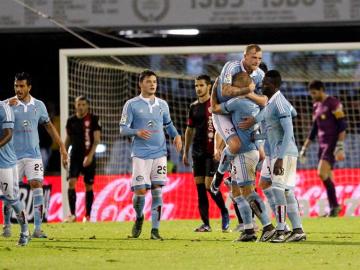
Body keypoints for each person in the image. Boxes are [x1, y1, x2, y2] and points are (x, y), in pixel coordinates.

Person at [2, 72, 68, 238]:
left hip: (33, 155)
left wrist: (62, 146)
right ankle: (7, 226)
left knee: (37, 184)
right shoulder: (7, 104)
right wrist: (3, 103)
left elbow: (49, 126)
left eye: (22, 86)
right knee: (10, 192)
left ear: (29, 87)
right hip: (12, 156)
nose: (18, 89)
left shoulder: (39, 105)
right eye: (16, 86)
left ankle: (38, 229)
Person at [211, 72, 276, 242]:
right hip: (253, 149)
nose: (229, 89)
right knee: (236, 192)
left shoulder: (237, 102)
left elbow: (214, 109)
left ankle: (268, 227)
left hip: (244, 153)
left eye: (232, 86)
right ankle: (248, 230)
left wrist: (214, 89)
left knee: (248, 192)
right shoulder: (257, 104)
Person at [120, 69, 182, 240]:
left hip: (160, 153)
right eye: (148, 81)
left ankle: (155, 230)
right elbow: (123, 129)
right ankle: (139, 216)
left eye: (154, 81)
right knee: (140, 191)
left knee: (157, 191)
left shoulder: (162, 104)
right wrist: (136, 132)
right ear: (140, 83)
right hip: (140, 154)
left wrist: (176, 135)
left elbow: (168, 125)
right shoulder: (131, 104)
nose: (152, 84)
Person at [254, 70, 306, 242]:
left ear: (275, 85)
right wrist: (257, 137)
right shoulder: (272, 103)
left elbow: (288, 131)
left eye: (266, 83)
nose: (262, 85)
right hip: (274, 153)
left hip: (284, 153)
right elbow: (290, 116)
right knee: (282, 190)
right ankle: (297, 230)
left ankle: (281, 229)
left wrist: (281, 157)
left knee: (278, 189)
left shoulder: (280, 102)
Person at [210, 44, 267, 195]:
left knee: (261, 155)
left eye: (259, 58)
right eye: (254, 57)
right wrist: (248, 90)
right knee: (235, 146)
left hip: (243, 113)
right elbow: (226, 91)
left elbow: (264, 101)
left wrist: (248, 95)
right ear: (245, 56)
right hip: (224, 112)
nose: (257, 61)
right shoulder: (231, 67)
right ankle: (219, 175)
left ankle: (233, 177)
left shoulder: (260, 75)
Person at [182, 74, 229, 232]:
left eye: (201, 85)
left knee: (210, 186)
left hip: (212, 151)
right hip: (197, 152)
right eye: (196, 86)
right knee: (200, 188)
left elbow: (222, 128)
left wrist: (220, 147)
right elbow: (189, 130)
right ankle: (206, 224)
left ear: (209, 86)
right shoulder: (193, 107)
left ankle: (224, 212)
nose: (198, 88)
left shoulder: (215, 105)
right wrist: (185, 151)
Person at [300, 80, 346, 217]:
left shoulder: (333, 103)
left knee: (321, 173)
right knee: (328, 176)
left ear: (321, 90)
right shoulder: (316, 106)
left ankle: (335, 206)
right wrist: (304, 148)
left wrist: (340, 146)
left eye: (314, 93)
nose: (312, 96)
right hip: (321, 145)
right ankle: (334, 207)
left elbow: (342, 125)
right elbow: (314, 130)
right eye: (311, 93)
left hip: (331, 144)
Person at [64, 96, 101, 222]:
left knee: (88, 185)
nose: (80, 107)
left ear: (87, 106)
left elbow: (96, 140)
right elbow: (68, 139)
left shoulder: (93, 119)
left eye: (83, 104)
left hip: (88, 156)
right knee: (71, 182)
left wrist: (90, 156)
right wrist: (64, 153)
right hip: (74, 156)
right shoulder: (71, 121)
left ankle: (88, 216)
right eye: (78, 104)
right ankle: (73, 215)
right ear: (75, 105)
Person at [0, 100, 30, 246]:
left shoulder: (4, 109)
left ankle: (25, 231)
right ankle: (6, 227)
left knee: (11, 199)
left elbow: (8, 134)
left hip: (4, 163)